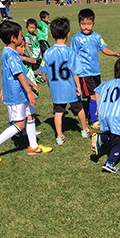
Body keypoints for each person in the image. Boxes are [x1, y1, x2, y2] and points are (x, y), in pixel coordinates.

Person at [0, 21, 52, 163]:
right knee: (20, 124)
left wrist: (29, 86)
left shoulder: (8, 52)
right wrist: (29, 91)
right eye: (20, 35)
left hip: (21, 92)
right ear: (13, 38)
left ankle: (33, 146)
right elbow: (19, 73)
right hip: (16, 94)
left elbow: (7, 73)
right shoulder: (11, 54)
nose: (22, 37)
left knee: (30, 116)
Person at [39, 17, 91, 145]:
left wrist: (49, 83)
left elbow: (44, 71)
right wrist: (78, 86)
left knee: (58, 111)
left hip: (56, 88)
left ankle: (59, 136)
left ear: (51, 34)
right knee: (78, 108)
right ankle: (84, 129)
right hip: (70, 87)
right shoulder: (71, 52)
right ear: (68, 34)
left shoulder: (47, 53)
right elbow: (75, 72)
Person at [71, 8, 120, 126]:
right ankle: (95, 121)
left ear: (93, 23)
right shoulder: (76, 38)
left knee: (95, 95)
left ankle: (91, 115)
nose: (86, 27)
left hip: (96, 71)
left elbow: (104, 49)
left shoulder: (97, 36)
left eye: (89, 24)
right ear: (79, 24)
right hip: (84, 73)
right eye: (83, 24)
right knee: (93, 96)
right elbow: (73, 56)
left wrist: (115, 53)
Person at [22, 18, 44, 84]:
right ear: (27, 27)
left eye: (34, 28)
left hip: (37, 55)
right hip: (31, 55)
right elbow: (27, 46)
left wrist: (40, 55)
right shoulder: (27, 36)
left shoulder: (36, 36)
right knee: (29, 68)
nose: (32, 29)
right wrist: (30, 56)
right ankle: (27, 79)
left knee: (43, 64)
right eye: (30, 28)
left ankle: (39, 76)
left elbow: (38, 46)